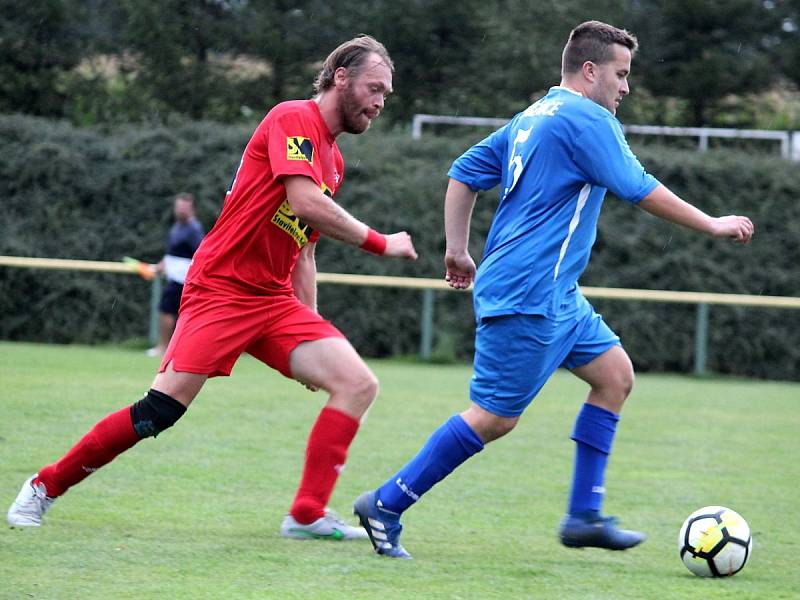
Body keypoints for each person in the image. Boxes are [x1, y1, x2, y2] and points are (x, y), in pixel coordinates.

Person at [353, 20, 754, 559]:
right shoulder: (588, 118)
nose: (626, 87)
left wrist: (457, 248)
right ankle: (386, 503)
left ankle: (584, 515)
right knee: (494, 417)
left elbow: (463, 171)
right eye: (621, 73)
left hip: (555, 294)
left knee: (614, 377)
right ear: (590, 71)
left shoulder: (533, 115)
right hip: (528, 292)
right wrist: (713, 223)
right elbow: (639, 188)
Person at [8, 35, 417, 541]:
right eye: (375, 88)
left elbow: (305, 248)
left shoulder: (334, 161)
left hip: (272, 301)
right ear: (341, 77)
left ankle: (307, 515)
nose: (380, 102)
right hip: (221, 290)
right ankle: (45, 486)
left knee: (358, 384)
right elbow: (305, 203)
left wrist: (311, 327)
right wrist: (381, 243)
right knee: (159, 412)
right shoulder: (293, 117)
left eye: (386, 94)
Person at [146, 193, 205, 357]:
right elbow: (172, 252)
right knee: (170, 312)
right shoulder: (177, 227)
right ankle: (169, 348)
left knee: (168, 311)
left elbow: (199, 253)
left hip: (183, 279)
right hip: (174, 277)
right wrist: (161, 265)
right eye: (178, 206)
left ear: (191, 208)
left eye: (184, 207)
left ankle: (163, 347)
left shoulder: (194, 229)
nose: (180, 210)